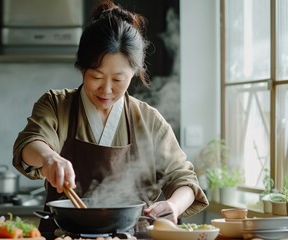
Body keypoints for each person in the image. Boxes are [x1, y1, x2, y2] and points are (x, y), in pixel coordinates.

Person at [13, 0, 208, 233]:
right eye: (96, 77)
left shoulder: (148, 120)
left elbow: (184, 180)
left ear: (134, 73)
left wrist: (173, 206)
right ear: (82, 68)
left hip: (134, 235)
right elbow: (30, 144)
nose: (106, 90)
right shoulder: (57, 104)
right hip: (64, 235)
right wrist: (48, 158)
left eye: (118, 80)